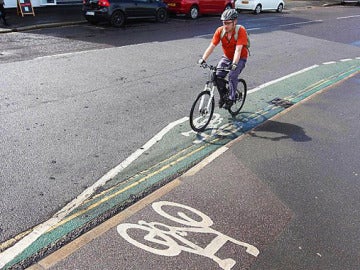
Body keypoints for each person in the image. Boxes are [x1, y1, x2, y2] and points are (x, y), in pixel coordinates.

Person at [198, 9, 248, 109]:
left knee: (232, 75)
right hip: (227, 57)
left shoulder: (241, 30)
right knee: (216, 76)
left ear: (235, 22)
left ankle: (231, 97)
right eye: (224, 23)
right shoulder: (220, 31)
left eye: (228, 23)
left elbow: (238, 50)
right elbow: (211, 46)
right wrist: (203, 59)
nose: (225, 26)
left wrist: (234, 64)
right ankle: (224, 95)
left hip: (240, 58)